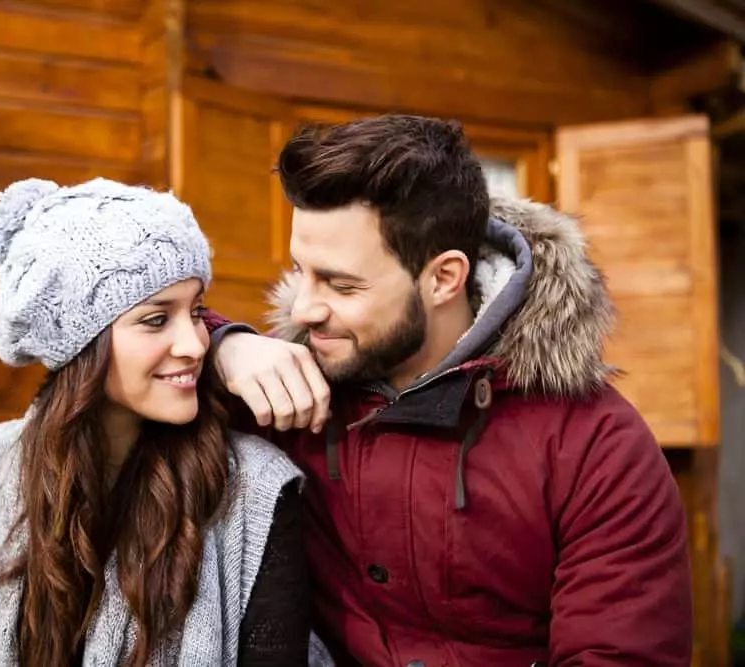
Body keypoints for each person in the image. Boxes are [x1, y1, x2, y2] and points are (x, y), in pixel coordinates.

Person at [203, 115, 693, 666]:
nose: (303, 309)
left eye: (341, 284)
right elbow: (123, 335)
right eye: (301, 272)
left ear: (443, 278)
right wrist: (223, 344)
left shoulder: (598, 447)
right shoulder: (290, 388)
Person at [0, 177, 317, 667]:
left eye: (196, 310)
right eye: (155, 319)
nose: (195, 344)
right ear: (80, 342)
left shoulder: (255, 488)